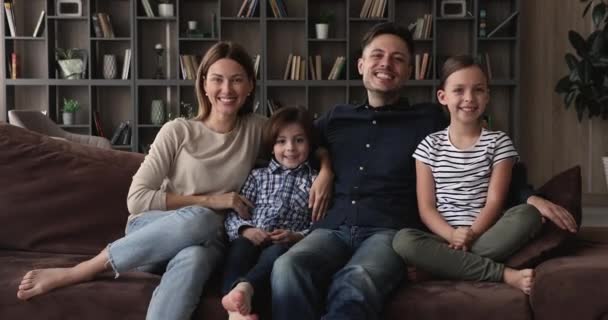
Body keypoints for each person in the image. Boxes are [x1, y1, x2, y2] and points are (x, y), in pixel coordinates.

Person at [271, 22, 578, 320]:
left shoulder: (429, 120)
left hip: (388, 232)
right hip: (331, 229)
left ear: (409, 71)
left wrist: (530, 197)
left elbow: (485, 160)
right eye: (377, 55)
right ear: (361, 64)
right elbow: (296, 149)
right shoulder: (336, 117)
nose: (386, 64)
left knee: (357, 279)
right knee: (288, 267)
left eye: (398, 58)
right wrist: (325, 167)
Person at [15, 41, 332, 320]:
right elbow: (137, 199)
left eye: (237, 80)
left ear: (250, 85)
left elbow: (304, 141)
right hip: (153, 233)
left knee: (195, 257)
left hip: (209, 242)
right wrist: (213, 201)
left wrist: (326, 169)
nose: (227, 89)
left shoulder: (258, 129)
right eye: (217, 79)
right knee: (204, 219)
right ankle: (83, 270)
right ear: (204, 84)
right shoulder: (178, 131)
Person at [392, 55, 543, 294]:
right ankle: (502, 274)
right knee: (403, 240)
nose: (469, 98)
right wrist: (453, 234)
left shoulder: (499, 142)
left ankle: (441, 267)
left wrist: (470, 235)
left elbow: (495, 201)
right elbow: (427, 208)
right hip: (443, 237)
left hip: (486, 234)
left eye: (478, 90)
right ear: (443, 97)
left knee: (528, 214)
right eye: (459, 90)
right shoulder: (428, 146)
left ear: (487, 96)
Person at [221, 107, 318, 320]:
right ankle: (235, 310)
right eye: (281, 141)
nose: (290, 148)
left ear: (310, 144)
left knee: (276, 255)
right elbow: (234, 214)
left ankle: (246, 289)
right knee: (239, 249)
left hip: (284, 242)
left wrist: (298, 236)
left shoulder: (315, 180)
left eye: (299, 140)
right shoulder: (257, 176)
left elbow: (321, 222)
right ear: (271, 146)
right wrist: (246, 230)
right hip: (252, 237)